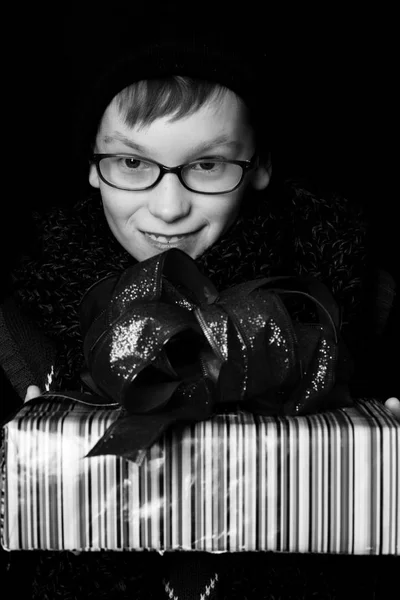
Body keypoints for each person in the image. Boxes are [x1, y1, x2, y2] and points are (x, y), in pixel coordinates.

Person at [1, 19, 399, 599]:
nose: (168, 208)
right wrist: (31, 465)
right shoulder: (19, 326)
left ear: (258, 166)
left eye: (206, 165)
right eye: (133, 164)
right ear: (92, 166)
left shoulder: (360, 297)